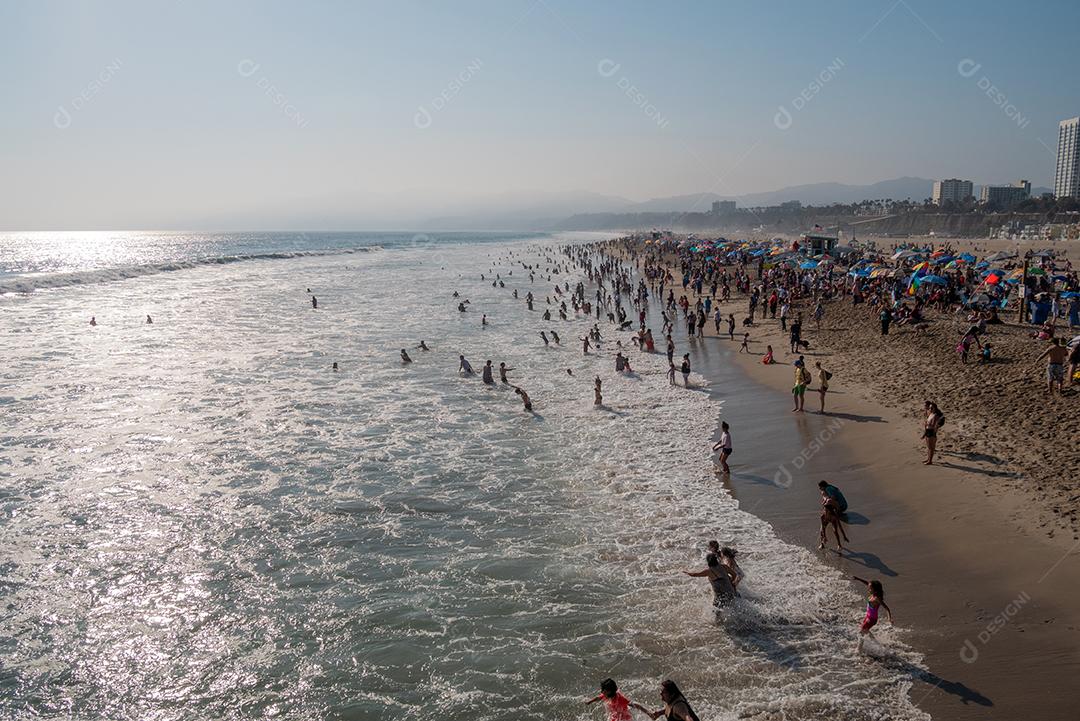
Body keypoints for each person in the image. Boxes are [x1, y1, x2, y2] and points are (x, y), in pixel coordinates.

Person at [852, 577, 893, 652]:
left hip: (872, 619)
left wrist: (889, 618)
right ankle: (876, 643)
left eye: (870, 588)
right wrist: (858, 578)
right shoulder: (873, 593)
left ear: (875, 590)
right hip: (868, 616)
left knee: (861, 632)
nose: (868, 589)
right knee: (865, 630)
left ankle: (858, 650)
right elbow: (867, 583)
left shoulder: (877, 598)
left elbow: (887, 608)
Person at [584, 678, 650, 721]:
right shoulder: (606, 695)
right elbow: (598, 698)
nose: (601, 692)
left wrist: (649, 713)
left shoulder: (620, 699)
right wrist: (590, 701)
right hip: (615, 717)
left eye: (603, 690)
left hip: (624, 719)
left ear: (609, 691)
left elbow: (634, 705)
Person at [922, 400, 943, 465]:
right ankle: (928, 459)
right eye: (930, 407)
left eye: (932, 408)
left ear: (935, 408)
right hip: (928, 431)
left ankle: (930, 461)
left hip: (931, 431)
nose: (930, 409)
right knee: (929, 447)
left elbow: (934, 425)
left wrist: (927, 423)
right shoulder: (930, 414)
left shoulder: (935, 416)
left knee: (931, 448)